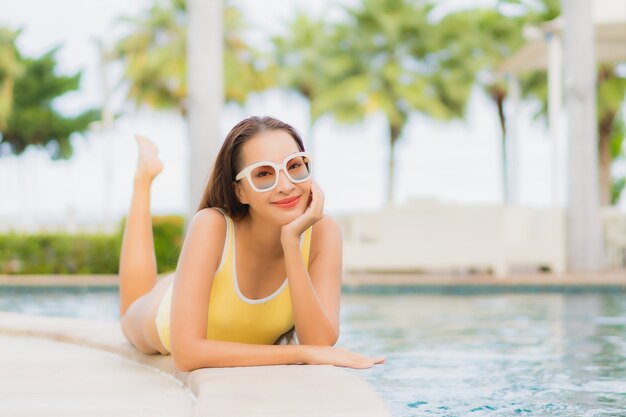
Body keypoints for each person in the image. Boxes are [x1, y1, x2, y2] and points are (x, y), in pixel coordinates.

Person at [118, 116, 385, 371]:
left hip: (208, 284)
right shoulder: (211, 225)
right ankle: (143, 179)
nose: (285, 185)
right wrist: (299, 353)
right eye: (263, 174)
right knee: (131, 308)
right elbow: (187, 354)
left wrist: (291, 242)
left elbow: (319, 343)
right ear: (240, 191)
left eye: (294, 165)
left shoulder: (324, 231)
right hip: (161, 313)